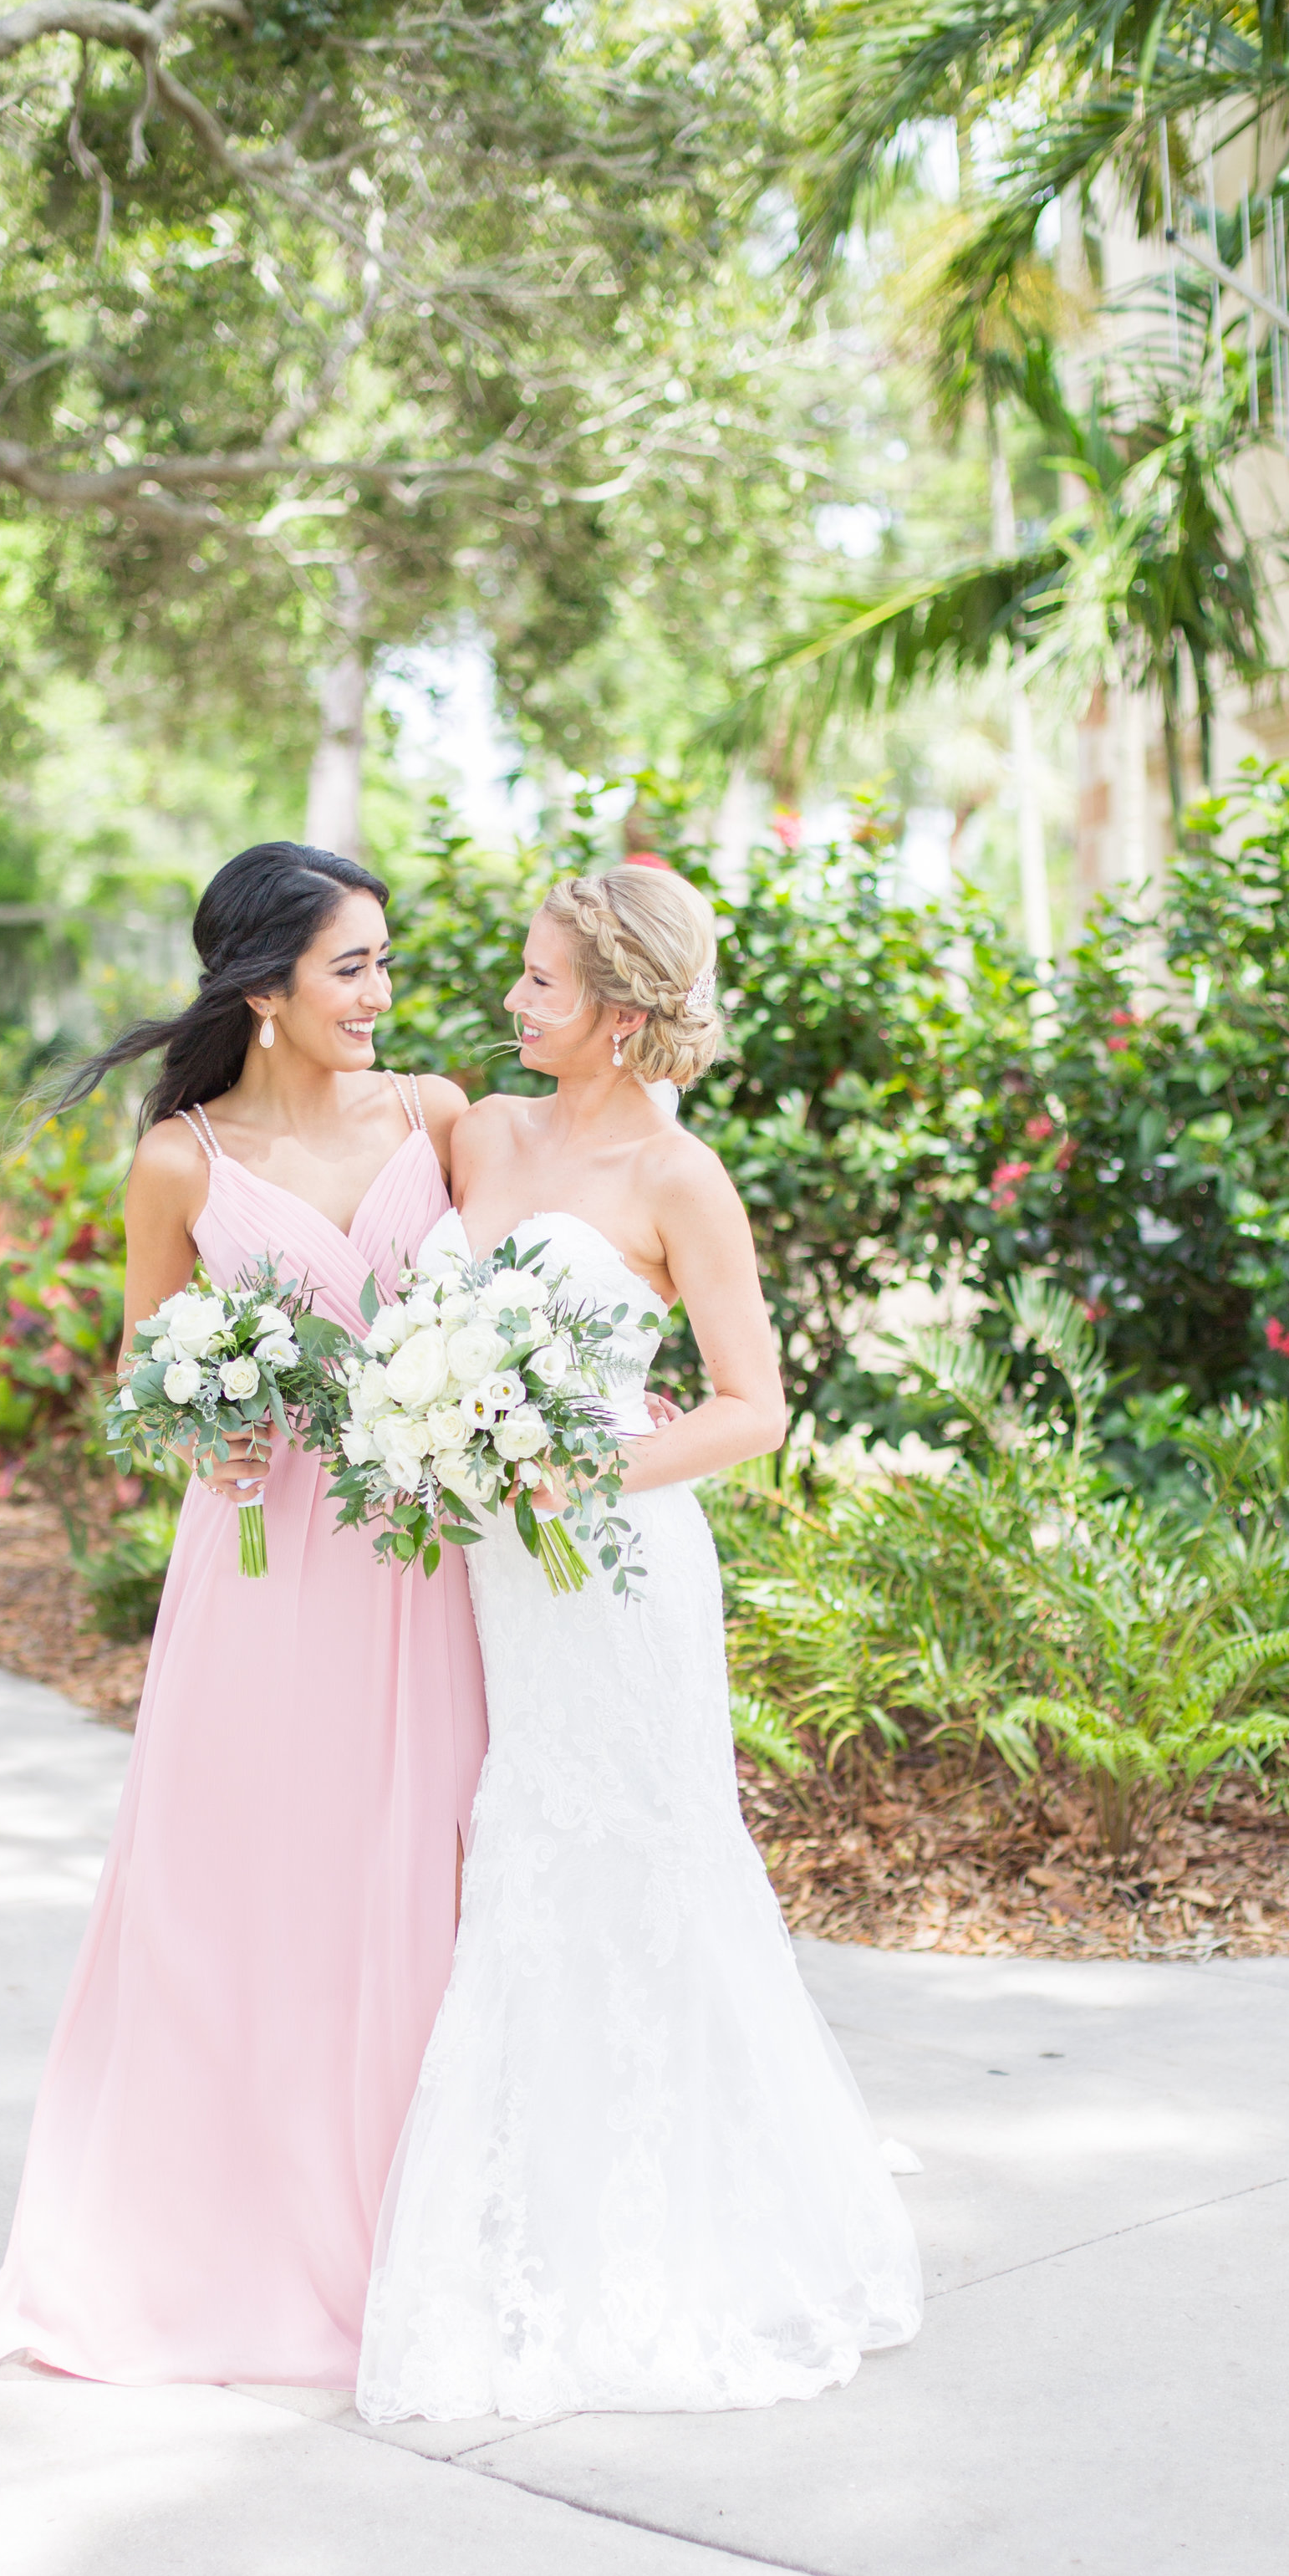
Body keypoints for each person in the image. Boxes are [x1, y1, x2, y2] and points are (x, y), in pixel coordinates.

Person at [356, 863, 924, 2424]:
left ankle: (687, 2222)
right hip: (494, 1569)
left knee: (647, 1862)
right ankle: (526, 2204)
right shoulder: (477, 1125)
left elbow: (753, 1405)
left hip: (614, 1570)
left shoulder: (682, 1178)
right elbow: (341, 1103)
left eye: (541, 983)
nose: (514, 1000)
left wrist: (583, 1458)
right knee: (526, 1851)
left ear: (618, 1011)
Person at [0, 843, 487, 2387]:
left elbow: (532, 1286)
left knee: (421, 1878)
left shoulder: (441, 1116)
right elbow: (147, 1369)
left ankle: (432, 2221)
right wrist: (212, 1418)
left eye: (387, 964)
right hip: (266, 1570)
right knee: (251, 1889)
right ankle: (229, 2235)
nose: (382, 996)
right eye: (354, 968)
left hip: (426, 1557)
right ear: (263, 990)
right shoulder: (183, 1162)